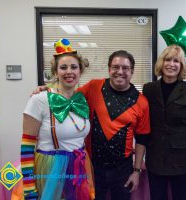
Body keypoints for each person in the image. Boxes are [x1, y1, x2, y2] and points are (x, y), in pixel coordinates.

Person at [33, 50, 151, 200]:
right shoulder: (94, 86)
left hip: (123, 169)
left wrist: (137, 171)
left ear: (132, 71)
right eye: (115, 67)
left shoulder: (141, 102)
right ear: (109, 69)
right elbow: (67, 95)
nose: (120, 72)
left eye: (125, 68)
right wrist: (47, 89)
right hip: (92, 167)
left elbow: (141, 139)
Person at [18, 38, 94, 199]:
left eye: (74, 67)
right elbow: (26, 146)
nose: (69, 71)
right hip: (51, 169)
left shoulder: (81, 100)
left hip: (79, 166)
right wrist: (29, 187)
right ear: (55, 72)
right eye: (63, 67)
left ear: (80, 71)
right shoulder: (39, 99)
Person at [142, 45, 186, 200]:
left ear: (181, 66)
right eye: (167, 59)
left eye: (176, 61)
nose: (171, 64)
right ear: (161, 63)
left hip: (181, 161)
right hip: (155, 159)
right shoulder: (149, 89)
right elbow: (144, 124)